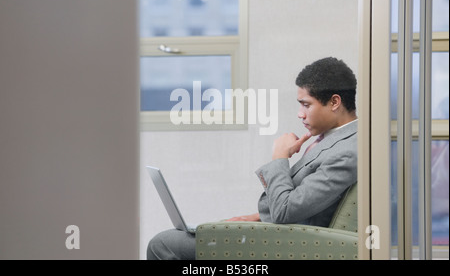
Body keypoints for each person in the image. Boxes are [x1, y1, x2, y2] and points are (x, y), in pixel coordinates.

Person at [147, 57, 358, 260]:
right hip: (279, 231)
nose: (300, 114)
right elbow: (305, 203)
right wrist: (256, 217)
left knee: (162, 245)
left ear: (334, 102)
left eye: (306, 105)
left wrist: (279, 158)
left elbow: (286, 210)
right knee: (178, 237)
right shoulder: (333, 140)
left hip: (288, 244)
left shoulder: (347, 151)